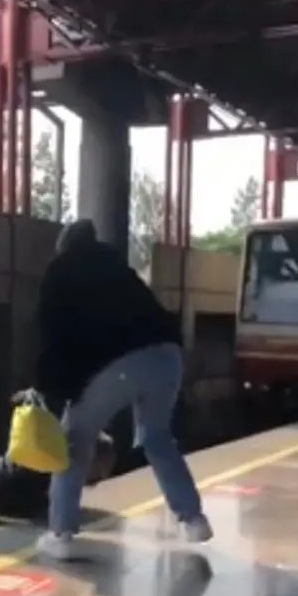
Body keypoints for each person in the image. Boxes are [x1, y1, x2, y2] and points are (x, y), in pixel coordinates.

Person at [32, 219, 211, 560]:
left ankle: (61, 534)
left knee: (74, 442)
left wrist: (46, 385)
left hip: (116, 364)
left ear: (64, 246)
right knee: (158, 438)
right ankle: (193, 519)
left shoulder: (61, 270)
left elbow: (52, 333)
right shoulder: (120, 268)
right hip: (166, 356)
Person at [0, 430, 117, 527]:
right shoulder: (45, 457)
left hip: (15, 503)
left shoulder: (66, 470)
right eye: (99, 471)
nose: (102, 478)